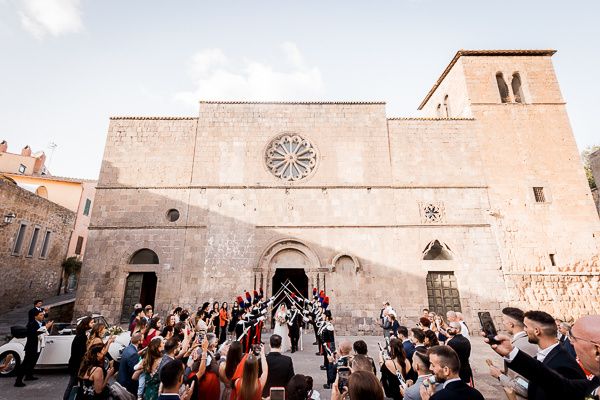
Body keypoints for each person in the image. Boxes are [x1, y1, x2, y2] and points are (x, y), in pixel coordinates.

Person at [484, 314, 600, 400]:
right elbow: (553, 381)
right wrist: (511, 352)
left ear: (597, 351)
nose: (571, 343)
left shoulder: (566, 365)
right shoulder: (594, 383)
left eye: (574, 339)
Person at [515, 310, 586, 400]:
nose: (524, 330)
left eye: (526, 326)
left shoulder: (564, 365)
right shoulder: (538, 357)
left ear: (537, 331)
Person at [487, 307, 538, 399]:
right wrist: (505, 372)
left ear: (511, 324)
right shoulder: (525, 340)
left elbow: (525, 386)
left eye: (503, 321)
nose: (502, 323)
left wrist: (499, 376)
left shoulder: (520, 346)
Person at [419, 345, 484, 400]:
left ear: (446, 370)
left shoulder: (438, 397)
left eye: (433, 365)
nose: (430, 368)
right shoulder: (477, 394)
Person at [15, 308, 52, 387]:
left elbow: (45, 333)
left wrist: (48, 327)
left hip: (39, 346)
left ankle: (29, 376)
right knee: (25, 363)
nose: (42, 316)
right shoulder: (31, 324)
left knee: (33, 362)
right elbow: (33, 334)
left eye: (43, 315)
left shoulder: (42, 323)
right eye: (40, 315)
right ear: (35, 316)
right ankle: (18, 381)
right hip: (31, 346)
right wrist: (46, 327)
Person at [64, 316, 93, 399]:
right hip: (76, 365)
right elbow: (81, 353)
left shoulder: (82, 335)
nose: (93, 324)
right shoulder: (81, 337)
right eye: (91, 322)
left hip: (76, 364)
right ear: (86, 325)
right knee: (72, 384)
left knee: (77, 385)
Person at [134, 336, 165, 400]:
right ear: (158, 348)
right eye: (163, 343)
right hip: (157, 396)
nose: (164, 344)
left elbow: (134, 376)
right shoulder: (163, 361)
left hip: (147, 394)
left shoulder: (146, 360)